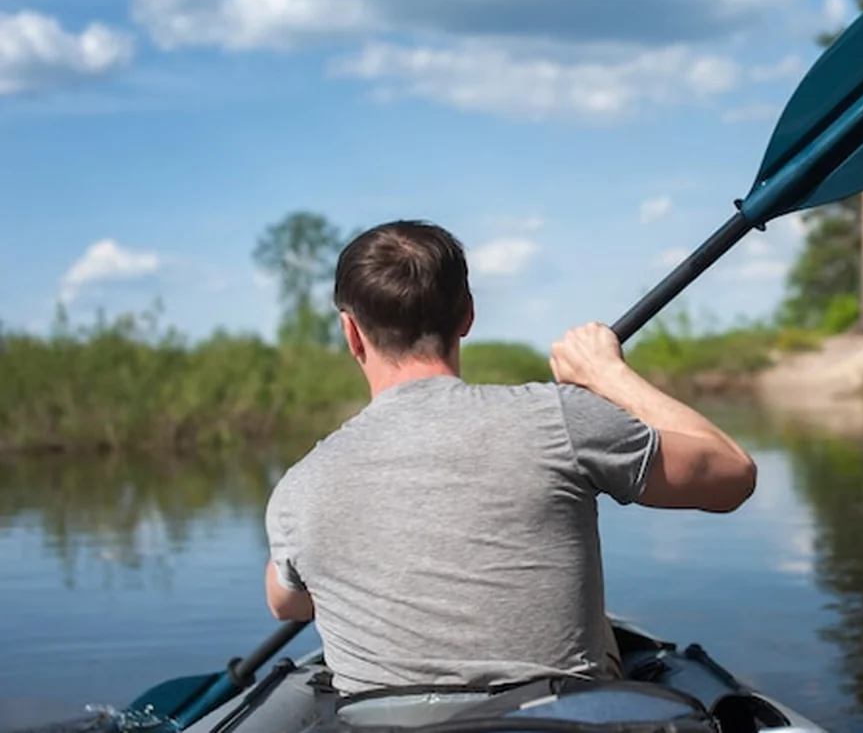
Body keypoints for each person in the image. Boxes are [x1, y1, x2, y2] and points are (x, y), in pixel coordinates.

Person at [263, 219, 757, 697]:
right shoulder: (560, 419)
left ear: (351, 333)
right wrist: (607, 374)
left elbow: (286, 604)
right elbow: (732, 474)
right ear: (468, 315)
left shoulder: (298, 490)